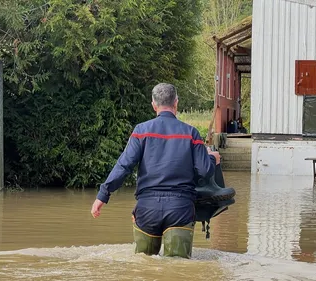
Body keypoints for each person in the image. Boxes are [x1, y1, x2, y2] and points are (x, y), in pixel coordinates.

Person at [90, 83, 222, 259]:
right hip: (180, 209)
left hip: (147, 210)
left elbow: (124, 165)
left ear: (154, 104)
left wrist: (103, 195)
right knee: (178, 270)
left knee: (143, 266)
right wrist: (213, 158)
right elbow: (205, 171)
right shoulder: (191, 133)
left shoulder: (141, 131)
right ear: (176, 102)